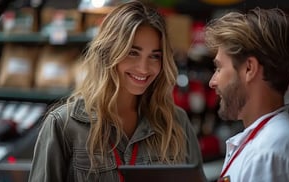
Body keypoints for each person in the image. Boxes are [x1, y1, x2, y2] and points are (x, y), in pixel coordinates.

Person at [28, 1, 205, 182]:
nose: (144, 69)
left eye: (154, 56)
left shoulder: (176, 122)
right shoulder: (64, 125)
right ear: (108, 53)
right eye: (132, 52)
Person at [204, 7, 289, 182]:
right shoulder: (269, 144)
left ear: (249, 69)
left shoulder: (268, 154)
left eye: (219, 68)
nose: (213, 81)